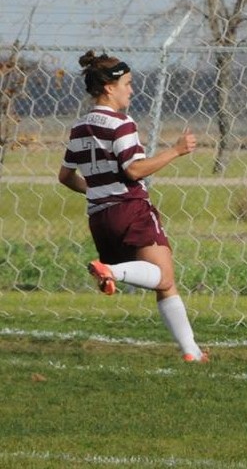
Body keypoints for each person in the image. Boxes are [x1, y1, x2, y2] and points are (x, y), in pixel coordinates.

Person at [58, 50, 208, 363]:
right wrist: (176, 151)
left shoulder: (79, 127)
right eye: (127, 83)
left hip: (100, 217)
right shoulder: (121, 123)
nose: (131, 89)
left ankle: (191, 351)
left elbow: (66, 176)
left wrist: (98, 190)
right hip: (130, 209)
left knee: (163, 280)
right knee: (164, 278)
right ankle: (109, 270)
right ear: (109, 88)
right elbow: (134, 170)